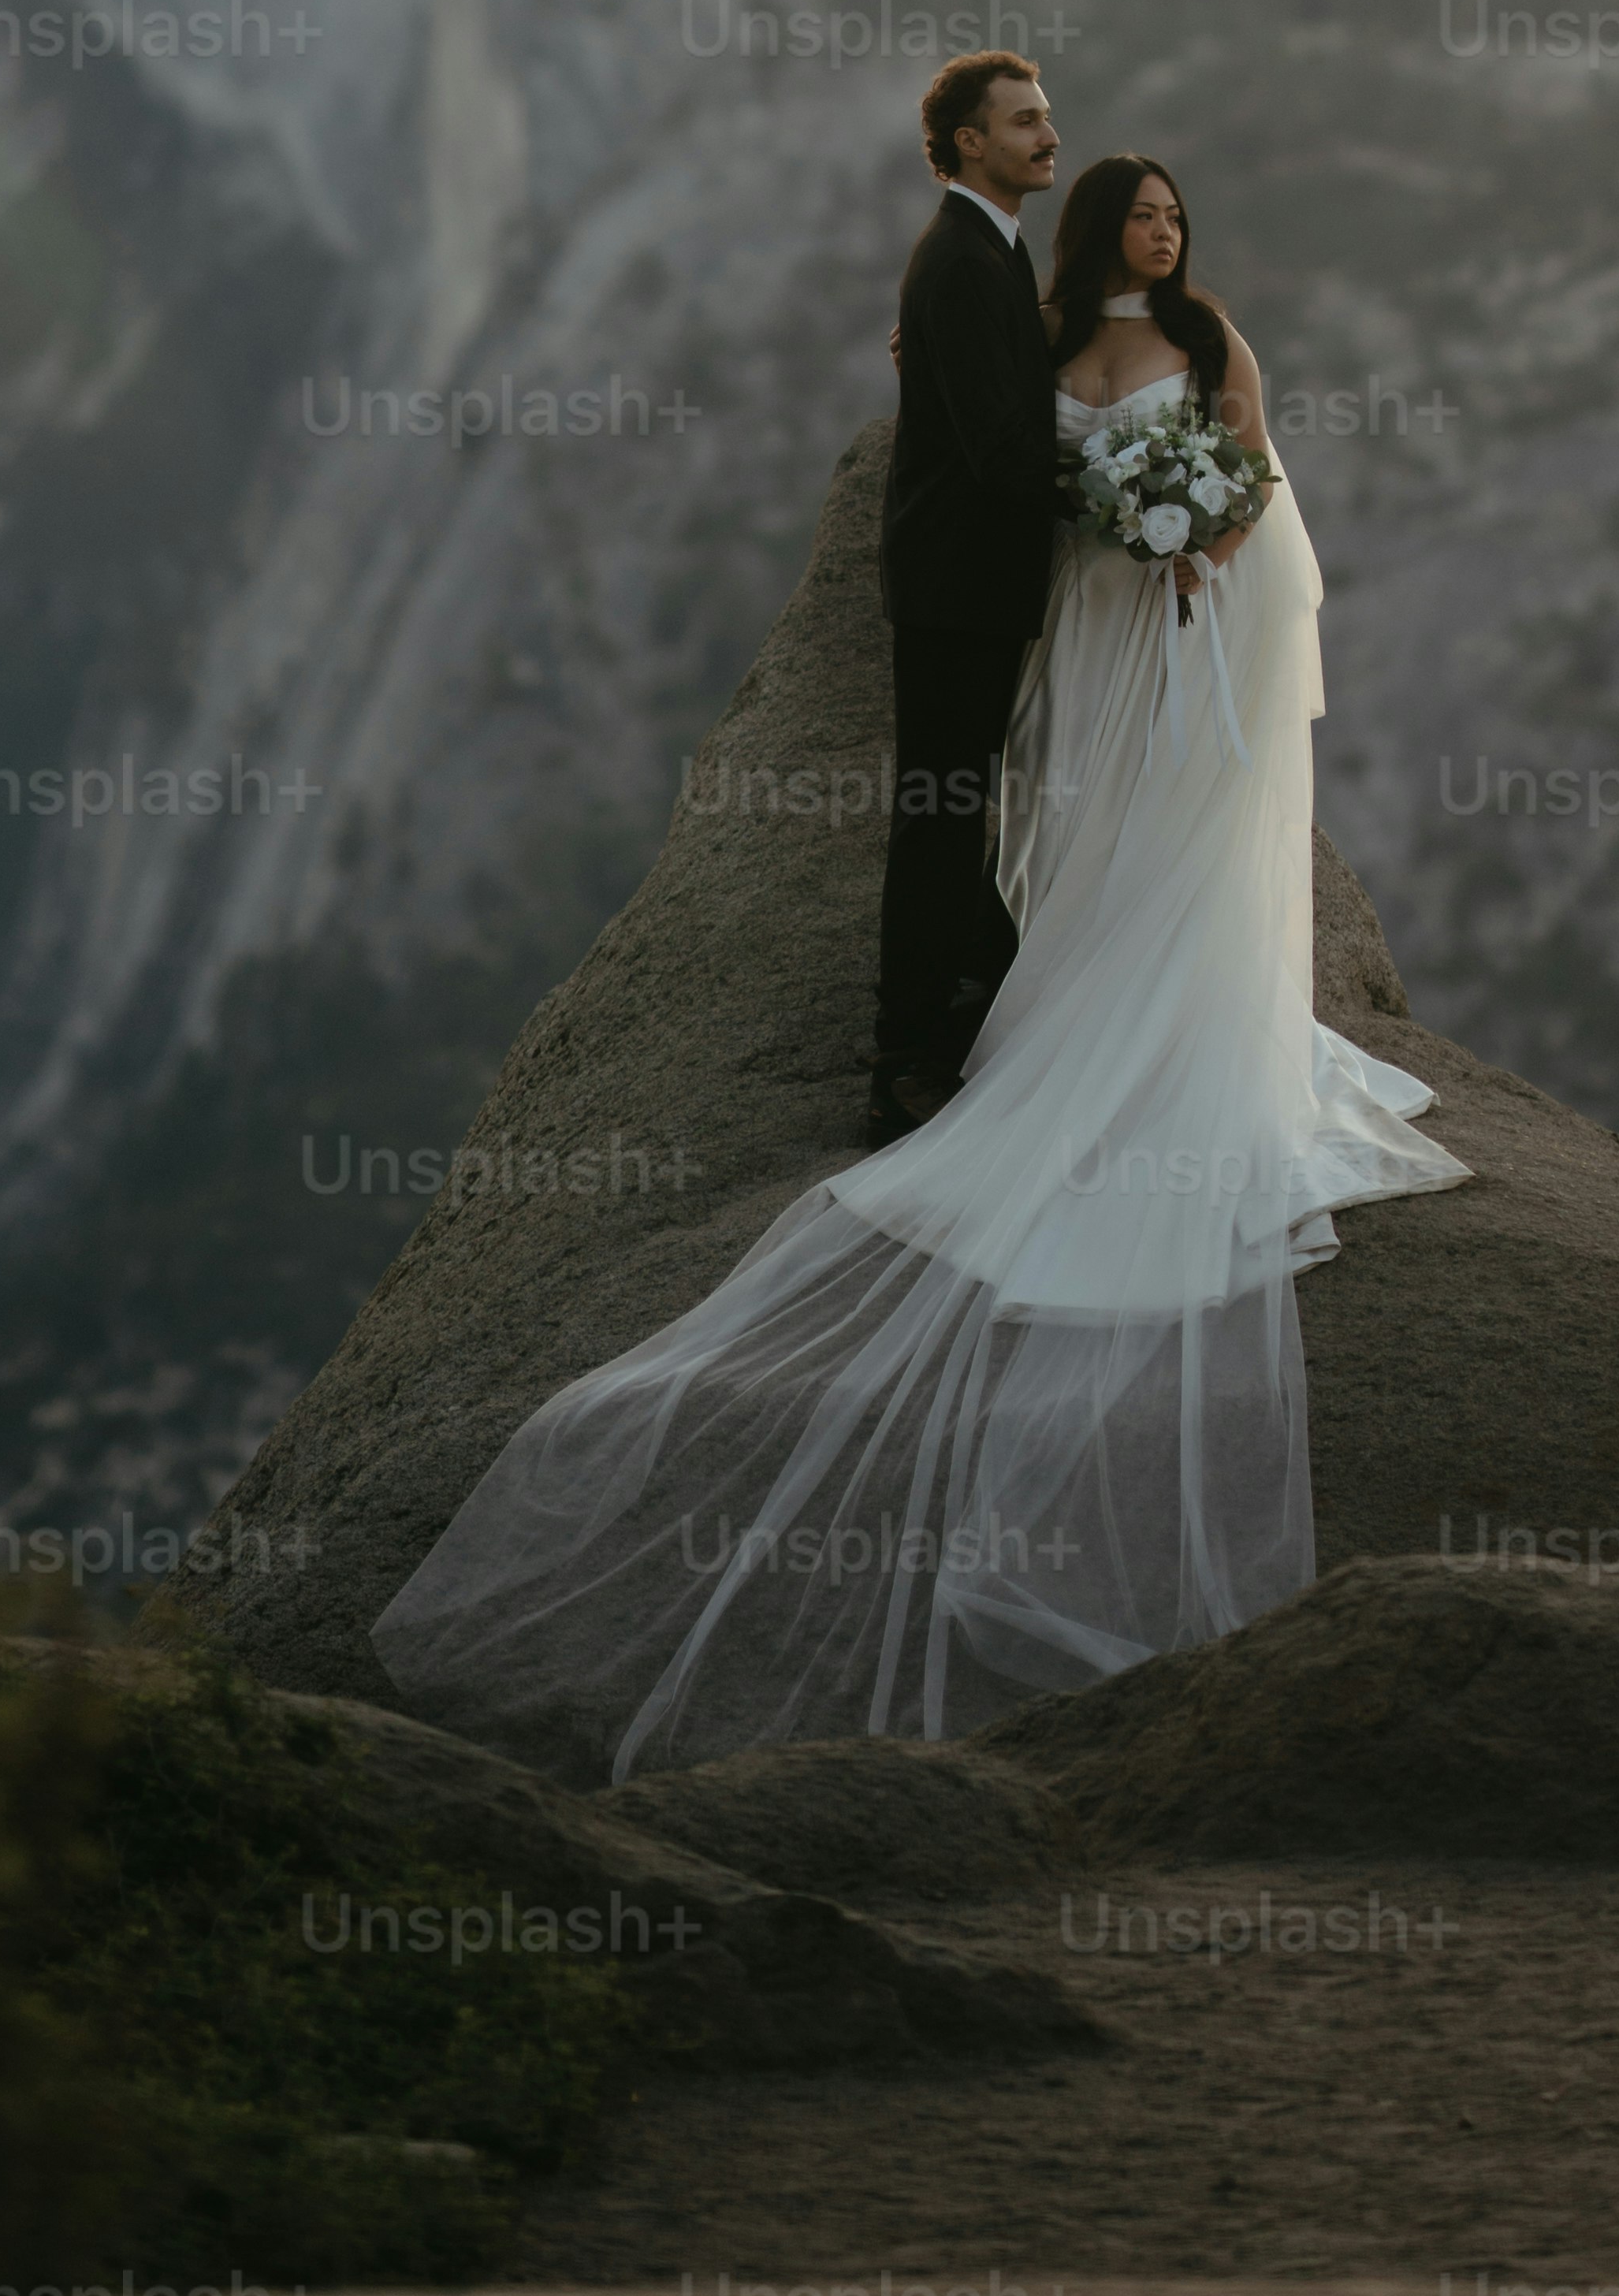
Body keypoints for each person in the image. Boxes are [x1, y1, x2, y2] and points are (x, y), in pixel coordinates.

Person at [366, 123, 1468, 1778]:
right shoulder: (1044, 334)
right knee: (1092, 849)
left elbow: (1257, 482)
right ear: (1100, 226)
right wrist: (1109, 522)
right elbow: (984, 421)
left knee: (1181, 852)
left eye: (1179, 217)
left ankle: (1187, 1036)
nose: (1165, 237)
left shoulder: (1211, 341)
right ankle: (1077, 1021)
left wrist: (1200, 542)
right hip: (1094, 636)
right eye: (1143, 216)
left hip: (1191, 640)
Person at [867, 51, 1065, 1143]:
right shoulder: (957, 257)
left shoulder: (987, 249)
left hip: (968, 583)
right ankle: (901, 1056)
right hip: (954, 587)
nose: (1046, 134)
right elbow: (999, 448)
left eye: (1047, 117)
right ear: (968, 140)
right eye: (1024, 120)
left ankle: (974, 998)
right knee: (938, 814)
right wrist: (1123, 495)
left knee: (952, 806)